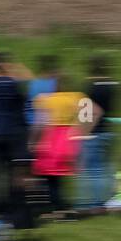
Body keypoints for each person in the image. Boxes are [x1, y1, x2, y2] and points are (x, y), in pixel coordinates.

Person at [0, 52, 30, 216]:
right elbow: (29, 79)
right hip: (11, 133)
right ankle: (10, 203)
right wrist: (14, 67)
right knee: (11, 171)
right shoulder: (13, 82)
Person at [32, 74, 86, 217]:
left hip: (50, 138)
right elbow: (85, 119)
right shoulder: (78, 98)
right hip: (69, 139)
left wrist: (34, 140)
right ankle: (61, 203)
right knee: (60, 176)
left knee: (49, 177)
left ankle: (53, 205)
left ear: (55, 86)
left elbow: (40, 123)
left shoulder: (46, 100)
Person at [79, 54, 120, 212]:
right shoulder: (116, 85)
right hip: (110, 132)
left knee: (94, 169)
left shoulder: (90, 87)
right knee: (108, 167)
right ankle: (112, 198)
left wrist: (83, 133)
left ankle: (96, 204)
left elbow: (87, 114)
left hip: (94, 132)